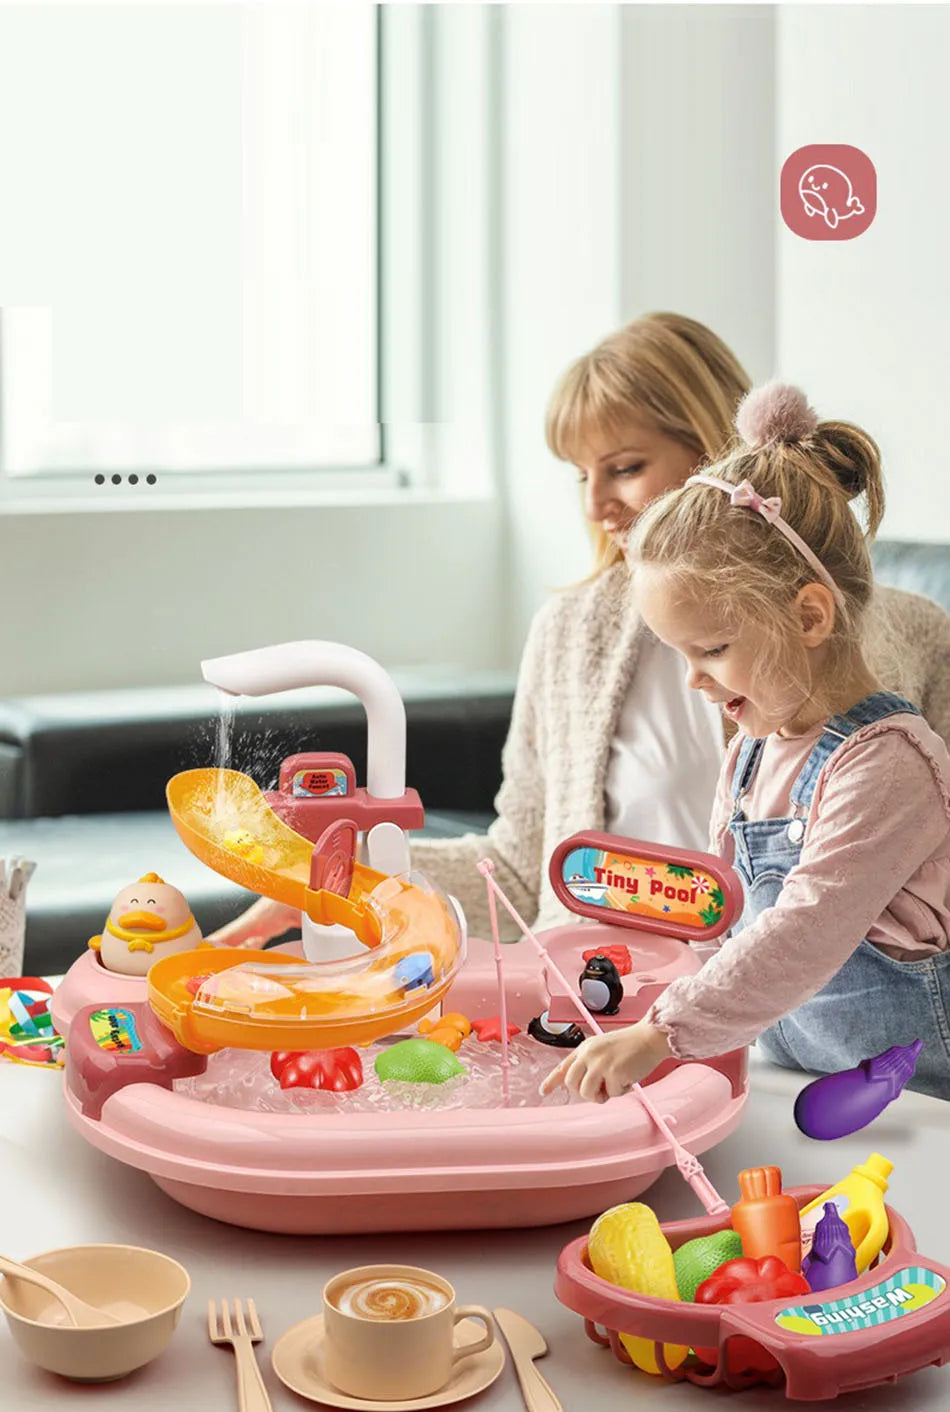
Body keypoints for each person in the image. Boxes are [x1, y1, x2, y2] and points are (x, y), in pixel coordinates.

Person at [211, 315, 950, 950]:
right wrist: (353, 874)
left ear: (719, 460)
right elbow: (523, 867)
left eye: (625, 468)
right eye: (579, 475)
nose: (596, 503)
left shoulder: (907, 639)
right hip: (594, 1012)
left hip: (796, 1035)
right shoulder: (568, 636)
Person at [542, 381, 950, 1101]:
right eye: (682, 655)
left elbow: (804, 929)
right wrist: (651, 1000)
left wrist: (663, 1033)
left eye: (715, 648)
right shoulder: (753, 750)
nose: (695, 680)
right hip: (789, 1076)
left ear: (811, 615)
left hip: (908, 1102)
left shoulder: (889, 765)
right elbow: (723, 925)